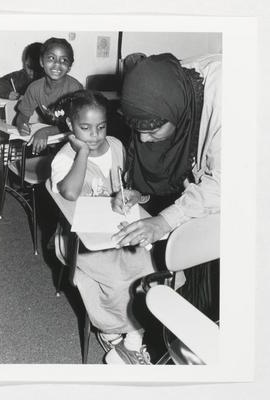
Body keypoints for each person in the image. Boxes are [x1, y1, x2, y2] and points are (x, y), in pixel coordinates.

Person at [108, 53, 221, 363]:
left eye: (153, 129)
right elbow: (178, 169)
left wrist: (163, 220)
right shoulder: (174, 87)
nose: (144, 138)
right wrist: (142, 195)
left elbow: (223, 185)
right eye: (138, 129)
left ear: (175, 111)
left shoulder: (225, 102)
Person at [50, 90, 155, 365]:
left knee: (150, 266)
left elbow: (132, 188)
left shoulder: (117, 146)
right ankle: (114, 333)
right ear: (70, 126)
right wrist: (82, 152)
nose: (95, 135)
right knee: (119, 280)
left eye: (101, 127)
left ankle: (131, 341)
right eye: (85, 128)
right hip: (82, 240)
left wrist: (132, 195)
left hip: (118, 230)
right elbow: (70, 193)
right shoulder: (63, 159)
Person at [16, 37, 83, 154]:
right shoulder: (35, 88)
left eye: (64, 60)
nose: (57, 64)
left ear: (69, 67)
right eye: (51, 58)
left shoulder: (74, 88)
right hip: (51, 141)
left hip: (74, 141)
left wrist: (46, 132)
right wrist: (22, 124)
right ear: (42, 62)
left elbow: (78, 125)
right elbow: (22, 116)